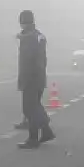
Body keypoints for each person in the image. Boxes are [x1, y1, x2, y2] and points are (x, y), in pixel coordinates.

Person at [16, 9, 54, 148]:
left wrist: (25, 80)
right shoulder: (38, 36)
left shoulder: (29, 39)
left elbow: (29, 61)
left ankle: (33, 139)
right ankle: (46, 131)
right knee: (35, 107)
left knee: (29, 109)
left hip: (31, 78)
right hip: (38, 78)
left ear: (22, 22)